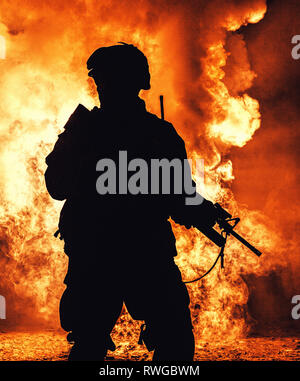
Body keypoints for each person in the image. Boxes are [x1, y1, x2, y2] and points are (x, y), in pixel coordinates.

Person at [44, 42, 217, 361]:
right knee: (170, 340)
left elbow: (56, 186)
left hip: (104, 253)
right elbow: (179, 196)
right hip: (138, 253)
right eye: (103, 80)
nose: (103, 87)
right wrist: (200, 209)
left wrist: (200, 208)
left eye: (106, 79)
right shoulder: (157, 133)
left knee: (93, 343)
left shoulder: (87, 132)